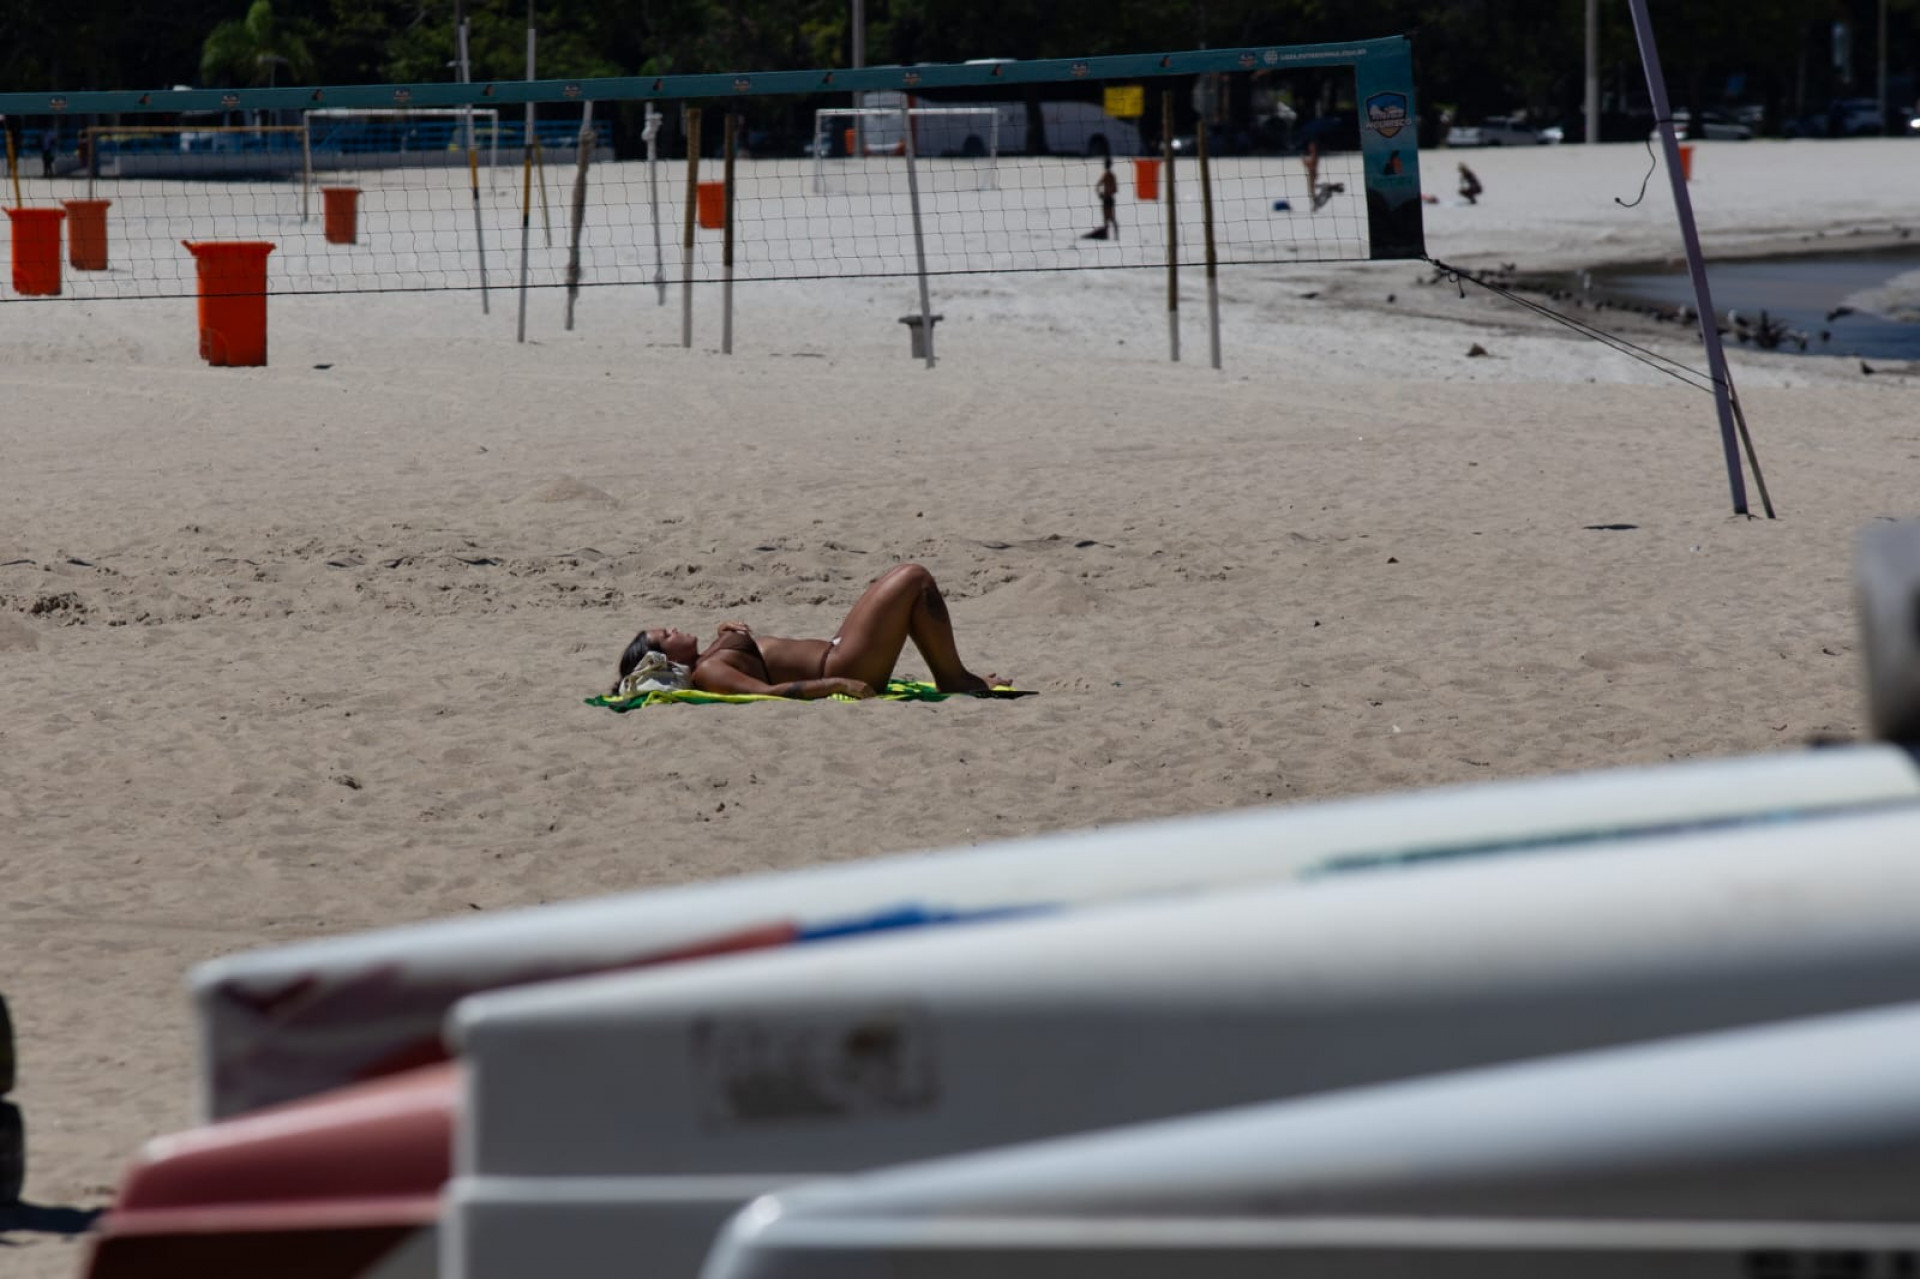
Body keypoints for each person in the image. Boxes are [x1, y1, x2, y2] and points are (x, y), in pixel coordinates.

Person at [613, 563, 1003, 700]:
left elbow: (752, 661)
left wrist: (722, 632)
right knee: (913, 579)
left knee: (906, 583)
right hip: (842, 664)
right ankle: (953, 679)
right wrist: (836, 684)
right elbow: (766, 693)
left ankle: (953, 675)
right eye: (667, 633)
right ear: (665, 658)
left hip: (838, 652)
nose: (675, 627)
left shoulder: (705, 660)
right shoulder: (708, 673)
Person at [1095, 155, 1118, 239]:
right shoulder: (1109, 175)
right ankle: (1110, 236)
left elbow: (1097, 187)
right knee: (1109, 219)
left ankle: (1113, 236)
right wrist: (1102, 194)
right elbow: (1115, 189)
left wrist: (1102, 194)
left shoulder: (1108, 175)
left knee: (1110, 218)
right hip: (1107, 198)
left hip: (1107, 199)